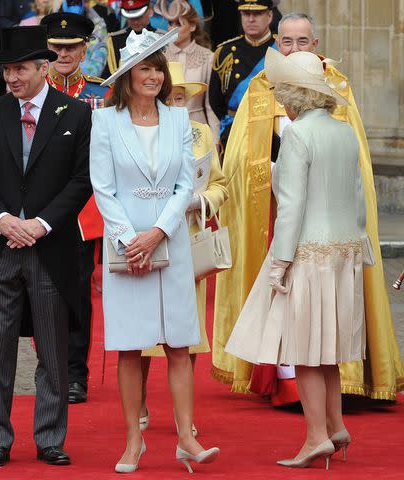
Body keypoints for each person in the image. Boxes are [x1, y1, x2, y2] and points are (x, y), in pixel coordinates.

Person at [213, 12, 404, 405]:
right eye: (287, 42)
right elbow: (238, 159)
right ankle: (313, 411)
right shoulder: (260, 88)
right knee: (323, 324)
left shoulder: (336, 89)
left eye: (303, 42)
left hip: (302, 227)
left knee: (306, 326)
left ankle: (318, 425)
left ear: (315, 45)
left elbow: (356, 177)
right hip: (281, 213)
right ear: (276, 44)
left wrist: (280, 261)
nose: (295, 48)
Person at [225, 48, 367, 469]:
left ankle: (316, 438)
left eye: (283, 91)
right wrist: (363, 249)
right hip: (344, 252)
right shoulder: (344, 132)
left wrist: (280, 262)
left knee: (306, 351)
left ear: (296, 95)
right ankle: (336, 427)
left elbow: (291, 206)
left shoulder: (298, 135)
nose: (279, 99)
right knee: (328, 349)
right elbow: (357, 199)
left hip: (308, 252)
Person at [92, 28, 220, 474]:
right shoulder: (104, 122)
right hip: (125, 250)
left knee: (180, 344)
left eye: (157, 69)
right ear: (127, 76)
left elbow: (188, 182)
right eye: (144, 68)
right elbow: (103, 189)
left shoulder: (179, 120)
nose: (152, 76)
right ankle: (133, 441)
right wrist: (132, 240)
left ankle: (186, 436)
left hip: (172, 243)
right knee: (130, 347)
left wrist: (159, 233)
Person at [0, 25, 92, 468]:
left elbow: (81, 181)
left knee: (53, 350)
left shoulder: (74, 114)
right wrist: (3, 221)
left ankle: (49, 438)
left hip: (50, 250)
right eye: (6, 71)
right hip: (1, 250)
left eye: (20, 69)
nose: (11, 78)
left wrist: (40, 224)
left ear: (44, 68)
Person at [140, 60, 228, 438]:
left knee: (187, 331)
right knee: (142, 329)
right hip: (146, 238)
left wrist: (200, 202)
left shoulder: (201, 134)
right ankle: (139, 401)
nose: (175, 104)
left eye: (180, 97)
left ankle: (184, 413)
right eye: (169, 96)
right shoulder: (139, 132)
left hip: (188, 238)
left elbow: (221, 185)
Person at [41, 11, 110, 404]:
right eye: (55, 47)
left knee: (77, 293)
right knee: (39, 290)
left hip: (85, 213)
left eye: (70, 47)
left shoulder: (104, 94)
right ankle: (48, 366)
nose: (63, 53)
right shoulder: (33, 92)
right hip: (38, 207)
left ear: (85, 49)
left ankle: (74, 374)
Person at [208, 0, 275, 148]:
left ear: (269, 16)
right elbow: (215, 98)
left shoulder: (281, 50)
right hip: (234, 131)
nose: (251, 19)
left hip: (271, 132)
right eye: (246, 13)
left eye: (257, 13)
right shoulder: (225, 52)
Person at [157, 0, 220, 147]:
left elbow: (211, 105)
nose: (172, 28)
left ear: (192, 26)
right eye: (170, 23)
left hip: (197, 127)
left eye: (178, 24)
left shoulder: (207, 56)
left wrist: (215, 140)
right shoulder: (160, 57)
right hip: (165, 126)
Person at [103, 0, 162, 77]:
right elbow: (108, 76)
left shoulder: (162, 38)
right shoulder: (115, 40)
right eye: (131, 17)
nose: (135, 22)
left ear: (150, 10)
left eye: (139, 16)